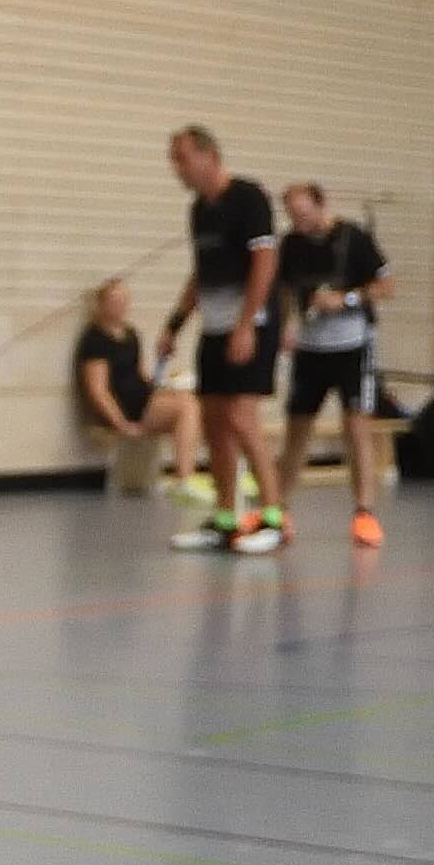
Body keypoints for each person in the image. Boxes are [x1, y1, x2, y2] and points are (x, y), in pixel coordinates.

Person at [155, 125, 284, 553]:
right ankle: (226, 518)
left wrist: (246, 324)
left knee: (242, 419)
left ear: (208, 155)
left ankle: (273, 518)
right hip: (213, 326)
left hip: (252, 326)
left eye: (181, 157)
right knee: (213, 422)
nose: (176, 167)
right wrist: (174, 324)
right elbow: (201, 274)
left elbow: (265, 261)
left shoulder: (248, 197)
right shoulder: (198, 211)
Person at [273, 182, 394, 547]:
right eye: (293, 216)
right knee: (297, 427)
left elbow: (387, 285)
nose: (299, 222)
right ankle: (276, 510)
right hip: (311, 348)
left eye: (304, 214)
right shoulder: (291, 244)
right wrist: (286, 325)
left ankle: (364, 513)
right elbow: (284, 292)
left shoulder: (353, 237)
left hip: (352, 345)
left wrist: (347, 298)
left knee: (356, 426)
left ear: (320, 205)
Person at [73, 277, 205, 494]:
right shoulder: (95, 340)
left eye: (124, 301)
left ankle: (190, 474)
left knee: (189, 400)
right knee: (187, 408)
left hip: (142, 398)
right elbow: (98, 391)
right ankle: (184, 477)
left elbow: (142, 374)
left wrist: (164, 388)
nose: (121, 306)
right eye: (115, 301)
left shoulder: (131, 334)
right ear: (102, 304)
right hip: (125, 406)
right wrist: (121, 424)